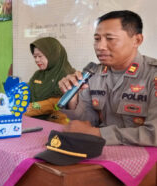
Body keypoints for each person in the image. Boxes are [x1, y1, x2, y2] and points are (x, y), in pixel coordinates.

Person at [58, 10, 157, 146]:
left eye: (110, 38)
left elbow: (154, 134)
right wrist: (73, 100)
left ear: (137, 40)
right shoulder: (92, 73)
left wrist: (99, 134)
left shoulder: (153, 75)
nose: (100, 47)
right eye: (97, 39)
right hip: (101, 153)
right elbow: (88, 123)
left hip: (146, 161)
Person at [24, 37, 76, 124]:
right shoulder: (38, 74)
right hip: (33, 120)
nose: (37, 60)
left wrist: (30, 108)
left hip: (56, 123)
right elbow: (28, 92)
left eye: (40, 56)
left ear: (53, 55)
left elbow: (55, 104)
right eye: (35, 57)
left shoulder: (68, 76)